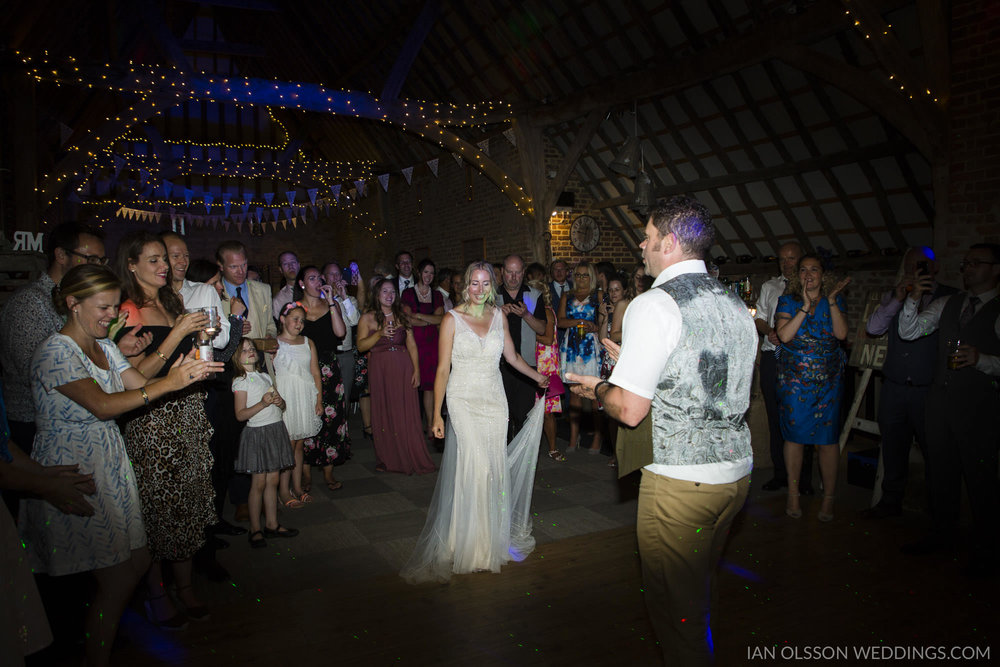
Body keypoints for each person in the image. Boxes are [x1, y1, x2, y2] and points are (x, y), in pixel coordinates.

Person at [567, 196, 756, 666]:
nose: (642, 246)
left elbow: (629, 410)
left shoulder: (653, 303)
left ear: (670, 243)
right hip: (734, 474)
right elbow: (703, 377)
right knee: (698, 588)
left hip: (681, 482)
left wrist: (602, 388)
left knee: (676, 612)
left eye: (648, 238)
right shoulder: (733, 301)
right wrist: (631, 365)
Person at [21, 264, 218, 665]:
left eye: (114, 307)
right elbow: (104, 404)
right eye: (105, 307)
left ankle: (99, 635)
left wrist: (176, 369)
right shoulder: (55, 352)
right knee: (112, 577)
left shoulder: (104, 345)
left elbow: (136, 381)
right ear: (73, 304)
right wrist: (169, 383)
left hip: (110, 458)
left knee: (137, 557)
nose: (113, 316)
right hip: (74, 466)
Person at [401, 262, 548, 583]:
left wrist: (538, 376)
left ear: (491, 286)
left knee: (492, 467)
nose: (480, 290)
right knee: (476, 466)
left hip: (494, 399)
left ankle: (487, 541)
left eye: (486, 284)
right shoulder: (451, 320)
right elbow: (442, 370)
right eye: (474, 284)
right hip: (463, 398)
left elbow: (511, 358)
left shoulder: (499, 317)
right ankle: (466, 543)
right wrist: (436, 413)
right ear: (465, 286)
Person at [113, 232, 218, 629]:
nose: (164, 266)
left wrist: (200, 347)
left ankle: (186, 587)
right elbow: (135, 379)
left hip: (186, 411)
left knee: (187, 503)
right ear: (132, 265)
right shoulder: (127, 312)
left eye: (165, 259)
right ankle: (156, 594)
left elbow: (179, 360)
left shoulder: (170, 301)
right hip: (151, 420)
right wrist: (176, 333)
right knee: (158, 509)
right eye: (154, 260)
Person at [897, 243, 1000, 577]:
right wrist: (912, 299)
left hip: (979, 406)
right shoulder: (948, 303)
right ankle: (942, 535)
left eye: (977, 263)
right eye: (966, 263)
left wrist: (981, 360)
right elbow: (909, 331)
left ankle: (986, 550)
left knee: (980, 478)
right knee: (940, 472)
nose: (968, 268)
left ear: (996, 268)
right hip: (940, 402)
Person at [864, 247, 956, 518]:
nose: (915, 271)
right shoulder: (895, 296)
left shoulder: (949, 298)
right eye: (910, 266)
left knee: (934, 451)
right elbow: (873, 328)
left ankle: (936, 512)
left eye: (921, 265)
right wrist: (898, 297)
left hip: (927, 389)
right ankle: (890, 503)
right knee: (893, 448)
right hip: (894, 386)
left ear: (934, 268)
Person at [775, 255, 851, 522]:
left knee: (828, 439)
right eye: (803, 269)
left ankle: (829, 498)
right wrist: (805, 307)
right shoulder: (788, 300)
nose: (809, 274)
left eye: (814, 269)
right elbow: (784, 336)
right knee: (794, 437)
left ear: (823, 274)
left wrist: (830, 301)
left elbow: (841, 335)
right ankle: (793, 494)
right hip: (795, 381)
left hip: (828, 381)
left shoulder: (835, 300)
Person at [217, 240, 277, 521]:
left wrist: (259, 341)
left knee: (263, 429)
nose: (240, 271)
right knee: (236, 434)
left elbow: (272, 332)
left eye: (243, 264)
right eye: (233, 266)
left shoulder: (262, 290)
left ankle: (263, 488)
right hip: (229, 370)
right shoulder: (212, 294)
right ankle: (241, 496)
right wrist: (235, 328)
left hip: (261, 366)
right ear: (221, 266)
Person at [357, 279, 436, 475]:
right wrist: (379, 334)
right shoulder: (367, 318)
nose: (389, 295)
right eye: (385, 291)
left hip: (402, 366)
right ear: (377, 294)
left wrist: (416, 370)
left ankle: (410, 454)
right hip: (380, 368)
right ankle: (388, 458)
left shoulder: (402, 315)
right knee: (384, 410)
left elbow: (411, 345)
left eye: (392, 291)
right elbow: (361, 346)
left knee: (405, 411)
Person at [754, 242, 814, 493]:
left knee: (802, 418)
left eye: (791, 259)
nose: (787, 263)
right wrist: (769, 330)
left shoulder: (811, 288)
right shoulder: (770, 287)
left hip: (800, 358)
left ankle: (805, 479)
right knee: (775, 416)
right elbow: (758, 318)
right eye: (782, 259)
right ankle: (780, 473)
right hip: (773, 358)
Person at [231, 339, 298, 549]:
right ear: (236, 357)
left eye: (252, 349)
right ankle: (255, 528)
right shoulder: (240, 381)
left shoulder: (264, 375)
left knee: (273, 480)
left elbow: (282, 405)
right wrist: (263, 403)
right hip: (258, 433)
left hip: (275, 429)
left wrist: (280, 402)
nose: (250, 352)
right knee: (258, 483)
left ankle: (271, 524)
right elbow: (240, 415)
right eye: (244, 350)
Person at [295, 266, 351, 492]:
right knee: (307, 416)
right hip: (304, 367)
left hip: (329, 366)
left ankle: (328, 471)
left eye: (319, 277)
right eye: (311, 278)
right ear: (301, 284)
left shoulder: (331, 304)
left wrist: (330, 302)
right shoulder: (295, 308)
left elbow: (340, 333)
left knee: (332, 418)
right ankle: (306, 473)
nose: (317, 281)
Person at [274, 302, 323, 506]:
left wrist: (319, 399)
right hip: (286, 397)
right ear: (283, 319)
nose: (299, 323)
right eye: (295, 319)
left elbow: (315, 372)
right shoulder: (274, 343)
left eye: (302, 320)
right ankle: (284, 491)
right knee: (288, 444)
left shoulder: (307, 342)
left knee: (299, 444)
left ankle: (298, 487)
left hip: (304, 395)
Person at [496, 255, 546, 441]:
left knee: (524, 414)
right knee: (502, 416)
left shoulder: (534, 295)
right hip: (498, 365)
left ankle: (521, 461)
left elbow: (541, 329)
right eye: (510, 272)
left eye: (518, 272)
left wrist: (526, 314)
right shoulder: (492, 295)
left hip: (526, 364)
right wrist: (496, 315)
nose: (513, 277)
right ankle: (502, 458)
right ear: (502, 272)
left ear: (524, 273)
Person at [559, 261, 603, 453]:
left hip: (591, 348)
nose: (581, 278)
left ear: (591, 277)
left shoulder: (598, 295)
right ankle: (573, 437)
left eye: (585, 275)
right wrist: (577, 321)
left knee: (594, 395)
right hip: (572, 348)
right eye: (578, 275)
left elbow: (605, 322)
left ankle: (598, 438)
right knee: (575, 394)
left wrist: (595, 327)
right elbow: (560, 322)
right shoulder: (567, 296)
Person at [401, 258, 445, 440]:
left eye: (432, 273)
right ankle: (411, 426)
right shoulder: (408, 293)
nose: (429, 276)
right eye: (426, 272)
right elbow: (407, 319)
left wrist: (419, 315)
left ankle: (430, 424)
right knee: (412, 384)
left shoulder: (437, 295)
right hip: (414, 342)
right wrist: (428, 318)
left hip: (433, 344)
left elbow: (441, 319)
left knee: (429, 386)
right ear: (419, 272)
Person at [529, 278, 565, 462]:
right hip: (533, 362)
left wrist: (527, 334)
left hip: (545, 364)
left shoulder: (546, 312)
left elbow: (549, 339)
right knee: (532, 409)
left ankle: (552, 447)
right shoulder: (530, 313)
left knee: (547, 411)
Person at [598, 273, 629, 467]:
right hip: (608, 362)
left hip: (622, 361)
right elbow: (604, 338)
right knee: (609, 412)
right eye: (610, 290)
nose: (613, 293)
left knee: (622, 410)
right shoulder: (610, 309)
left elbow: (618, 337)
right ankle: (615, 452)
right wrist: (605, 316)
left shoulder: (627, 307)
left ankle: (625, 453)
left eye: (617, 289)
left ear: (624, 291)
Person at [322, 262, 362, 407]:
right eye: (331, 274)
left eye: (338, 274)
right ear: (323, 277)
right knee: (328, 398)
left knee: (344, 398)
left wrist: (344, 297)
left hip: (345, 354)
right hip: (326, 354)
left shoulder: (350, 300)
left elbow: (355, 321)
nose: (335, 278)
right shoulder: (320, 300)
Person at [271, 251, 300, 320]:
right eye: (285, 264)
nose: (290, 266)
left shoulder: (311, 290)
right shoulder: (278, 300)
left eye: (293, 262)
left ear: (298, 265)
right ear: (280, 269)